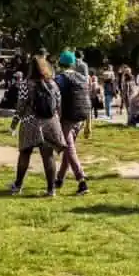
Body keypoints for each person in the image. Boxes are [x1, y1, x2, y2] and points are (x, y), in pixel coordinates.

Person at [9, 57, 66, 196]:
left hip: (30, 122)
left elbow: (21, 106)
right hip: (49, 122)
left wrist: (14, 124)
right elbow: (58, 105)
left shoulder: (25, 84)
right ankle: (51, 190)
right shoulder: (53, 83)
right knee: (48, 156)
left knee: (24, 153)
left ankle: (18, 185)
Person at [53, 50, 90, 195]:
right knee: (69, 149)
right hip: (80, 117)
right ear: (73, 64)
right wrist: (88, 123)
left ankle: (82, 181)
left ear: (60, 63)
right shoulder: (81, 77)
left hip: (67, 117)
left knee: (69, 149)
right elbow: (88, 100)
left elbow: (56, 98)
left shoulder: (61, 78)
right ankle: (59, 179)